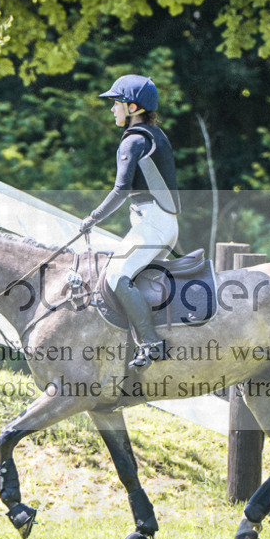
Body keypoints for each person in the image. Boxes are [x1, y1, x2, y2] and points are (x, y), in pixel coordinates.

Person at [80, 74, 181, 369]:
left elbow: (121, 190)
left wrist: (93, 217)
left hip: (154, 224)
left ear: (133, 107)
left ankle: (151, 343)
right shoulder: (154, 134)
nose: (112, 108)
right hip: (161, 223)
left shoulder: (134, 140)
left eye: (117, 103)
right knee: (131, 277)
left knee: (115, 275)